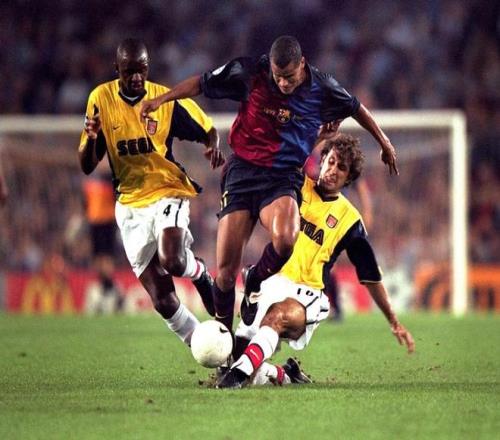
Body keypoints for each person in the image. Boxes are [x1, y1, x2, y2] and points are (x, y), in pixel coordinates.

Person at [141, 35, 399, 333]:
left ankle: (255, 279)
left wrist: (384, 142)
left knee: (287, 238)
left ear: (302, 65)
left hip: (282, 177)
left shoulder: (322, 87)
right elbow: (201, 82)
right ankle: (224, 341)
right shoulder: (250, 72)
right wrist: (160, 100)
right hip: (242, 173)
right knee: (225, 274)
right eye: (278, 77)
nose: (283, 83)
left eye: (289, 77)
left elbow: (355, 107)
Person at [216, 133, 414, 388]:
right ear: (322, 160)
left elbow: (370, 276)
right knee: (241, 351)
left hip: (307, 294)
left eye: (341, 168)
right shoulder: (296, 186)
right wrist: (321, 135)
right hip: (271, 283)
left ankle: (236, 377)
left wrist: (393, 321)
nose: (333, 170)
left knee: (276, 318)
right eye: (331, 161)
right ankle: (285, 374)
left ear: (348, 178)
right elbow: (289, 153)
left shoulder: (350, 220)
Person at [78, 38, 224, 346]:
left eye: (141, 70)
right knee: (164, 301)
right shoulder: (100, 99)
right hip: (130, 205)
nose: (136, 77)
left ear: (148, 67)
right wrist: (92, 138)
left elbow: (208, 129)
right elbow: (87, 165)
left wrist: (212, 145)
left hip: (167, 191)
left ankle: (198, 271)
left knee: (173, 260)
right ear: (116, 68)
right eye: (128, 71)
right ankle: (208, 347)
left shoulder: (163, 100)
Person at [82, 162, 123, 314]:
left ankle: (109, 288)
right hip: (95, 222)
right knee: (99, 257)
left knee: (105, 256)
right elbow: (85, 205)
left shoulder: (110, 180)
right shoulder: (91, 181)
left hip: (107, 222)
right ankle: (105, 287)